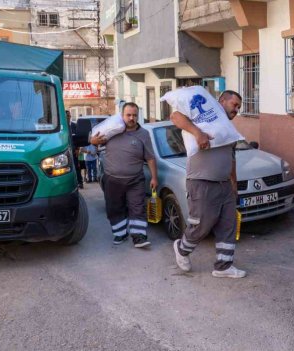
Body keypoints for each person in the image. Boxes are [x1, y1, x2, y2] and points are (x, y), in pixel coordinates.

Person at [170, 90, 245, 279]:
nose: (236, 109)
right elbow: (175, 116)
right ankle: (182, 248)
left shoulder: (227, 130)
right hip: (201, 181)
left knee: (228, 225)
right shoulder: (202, 119)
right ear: (221, 101)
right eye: (234, 104)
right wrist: (198, 133)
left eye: (238, 107)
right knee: (202, 225)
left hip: (224, 185)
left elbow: (231, 158)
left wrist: (234, 184)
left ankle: (223, 266)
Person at [90, 103, 158, 248]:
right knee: (114, 208)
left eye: (134, 115)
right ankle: (120, 234)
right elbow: (94, 141)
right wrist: (93, 141)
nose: (131, 118)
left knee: (137, 207)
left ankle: (139, 237)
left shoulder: (144, 134)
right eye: (128, 115)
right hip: (112, 179)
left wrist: (154, 177)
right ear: (122, 116)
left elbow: (150, 157)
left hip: (135, 180)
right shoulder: (111, 131)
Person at [66, 110, 83, 189]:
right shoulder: (62, 127)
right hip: (65, 152)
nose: (68, 117)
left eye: (69, 116)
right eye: (67, 116)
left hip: (74, 151)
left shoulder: (74, 125)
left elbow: (78, 139)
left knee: (77, 167)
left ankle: (80, 182)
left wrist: (77, 149)